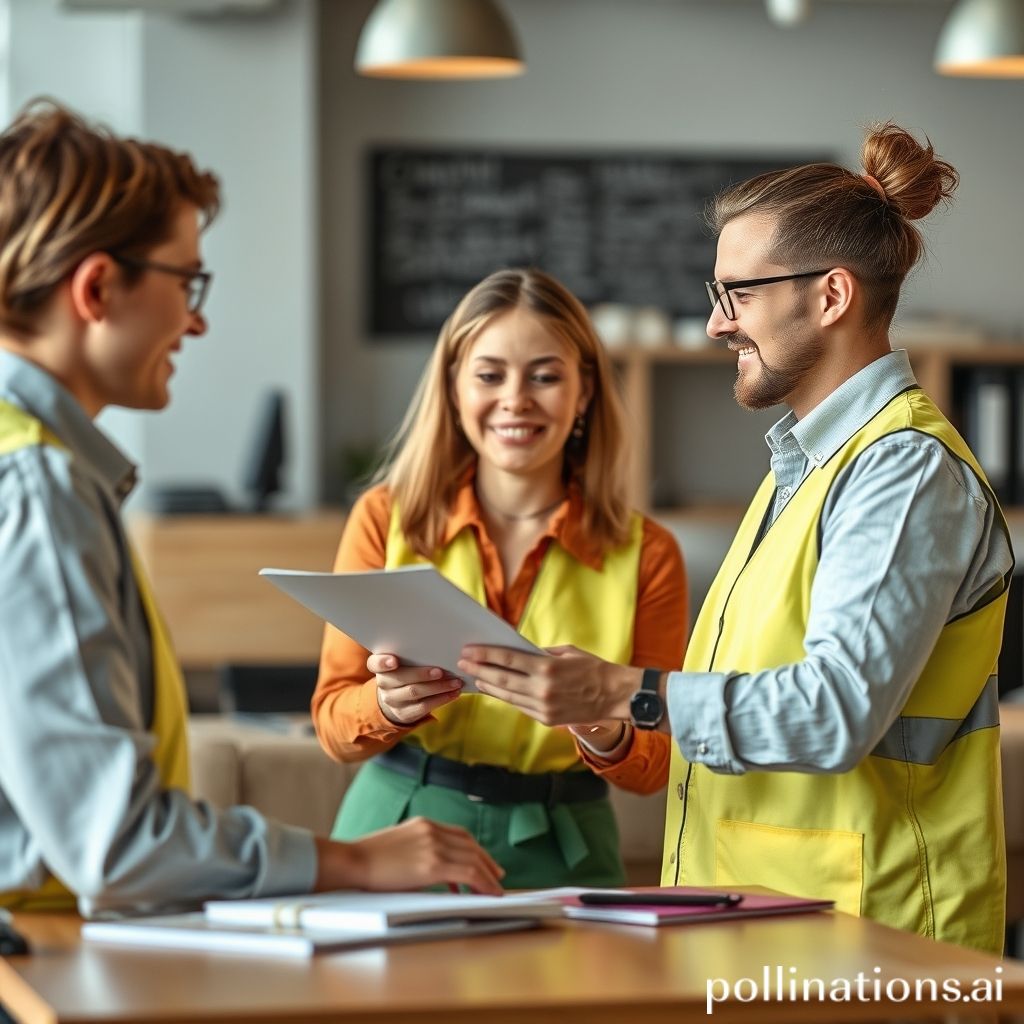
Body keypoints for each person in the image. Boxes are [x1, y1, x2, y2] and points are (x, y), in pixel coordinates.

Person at [459, 124, 1013, 952]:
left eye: (739, 295)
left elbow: (834, 711)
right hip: (775, 930)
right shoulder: (807, 466)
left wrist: (623, 692)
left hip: (875, 942)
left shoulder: (902, 472)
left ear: (830, 297)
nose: (717, 324)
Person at [0, 100, 503, 918]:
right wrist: (351, 863)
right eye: (185, 281)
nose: (196, 319)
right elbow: (116, 843)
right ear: (97, 288)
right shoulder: (37, 487)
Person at [313, 267, 686, 888]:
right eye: (490, 375)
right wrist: (386, 704)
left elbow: (654, 769)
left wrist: (595, 716)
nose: (516, 399)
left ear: (585, 392)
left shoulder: (649, 553)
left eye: (545, 375)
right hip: (401, 828)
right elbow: (333, 723)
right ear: (454, 386)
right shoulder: (383, 518)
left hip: (566, 847)